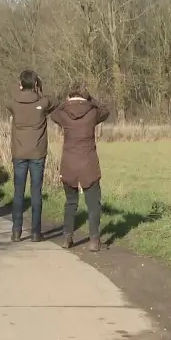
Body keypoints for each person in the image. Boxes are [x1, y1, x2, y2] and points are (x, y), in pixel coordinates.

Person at [49, 82, 110, 252]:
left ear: (70, 95)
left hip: (69, 162)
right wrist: (92, 100)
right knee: (93, 204)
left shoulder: (63, 113)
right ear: (86, 96)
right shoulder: (92, 112)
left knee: (70, 202)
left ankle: (67, 237)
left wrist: (65, 102)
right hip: (88, 162)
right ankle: (94, 240)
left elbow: (53, 113)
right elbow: (105, 111)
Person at [4, 69, 58, 243]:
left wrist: (20, 87)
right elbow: (55, 100)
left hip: (19, 152)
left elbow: (10, 95)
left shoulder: (13, 103)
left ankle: (16, 231)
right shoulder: (43, 102)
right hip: (37, 152)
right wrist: (39, 89)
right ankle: (36, 232)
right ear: (36, 84)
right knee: (36, 192)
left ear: (20, 84)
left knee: (18, 192)